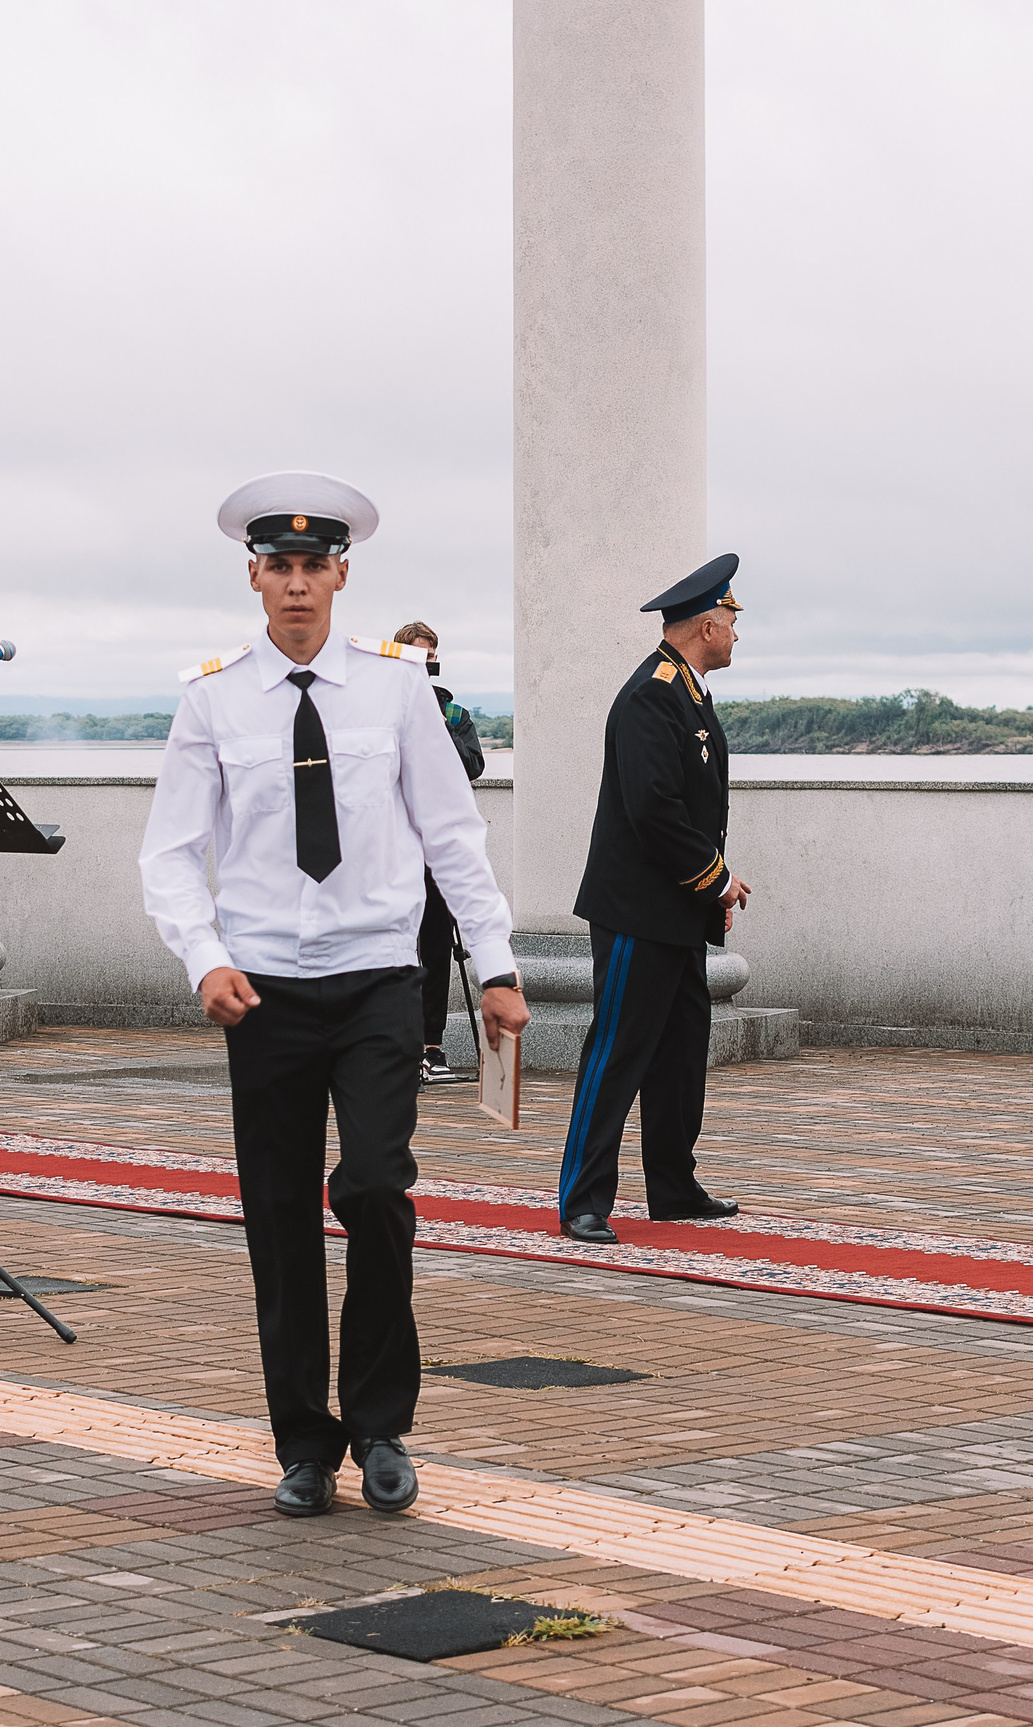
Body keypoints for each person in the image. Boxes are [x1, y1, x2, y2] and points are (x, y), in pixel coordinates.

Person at [140, 472, 527, 1521]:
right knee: (276, 1212)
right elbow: (169, 854)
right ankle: (303, 1442)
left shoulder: (398, 688)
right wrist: (203, 958)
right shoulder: (211, 697)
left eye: (316, 565)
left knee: (370, 1187)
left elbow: (453, 834)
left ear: (342, 575)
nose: (298, 583)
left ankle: (381, 1424)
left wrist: (493, 966)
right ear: (254, 575)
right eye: (280, 565)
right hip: (260, 990)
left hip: (373, 983)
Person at [557, 556, 751, 1245]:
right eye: (730, 621)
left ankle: (672, 1185)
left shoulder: (688, 693)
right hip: (638, 911)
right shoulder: (651, 695)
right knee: (617, 1052)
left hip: (675, 912)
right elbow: (655, 811)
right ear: (704, 625)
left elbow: (693, 809)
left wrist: (711, 887)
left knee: (679, 1055)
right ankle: (582, 1198)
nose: (736, 633)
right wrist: (717, 877)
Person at [392, 621, 486, 1085]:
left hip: (435, 851)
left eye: (429, 657)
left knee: (434, 945)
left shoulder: (453, 714)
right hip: (391, 849)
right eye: (414, 657)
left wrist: (434, 726)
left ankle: (432, 1044)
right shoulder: (379, 708)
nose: (423, 666)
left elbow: (472, 765)